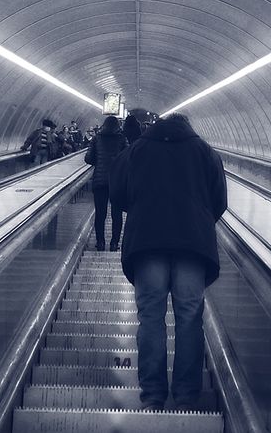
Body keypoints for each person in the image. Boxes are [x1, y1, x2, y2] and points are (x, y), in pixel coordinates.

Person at [109, 113, 227, 412]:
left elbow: (117, 192)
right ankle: (187, 396)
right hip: (193, 246)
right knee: (189, 317)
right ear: (188, 125)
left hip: (148, 243)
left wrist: (141, 210)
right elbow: (219, 199)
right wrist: (198, 222)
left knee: (151, 317)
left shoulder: (136, 150)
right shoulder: (204, 151)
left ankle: (152, 396)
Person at [84, 116, 128, 251]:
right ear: (117, 125)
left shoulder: (97, 138)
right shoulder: (122, 139)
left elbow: (88, 158)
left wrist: (99, 162)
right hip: (117, 181)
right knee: (117, 213)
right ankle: (114, 243)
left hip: (100, 181)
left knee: (100, 213)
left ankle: (100, 242)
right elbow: (128, 158)